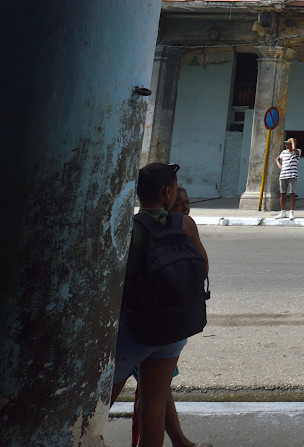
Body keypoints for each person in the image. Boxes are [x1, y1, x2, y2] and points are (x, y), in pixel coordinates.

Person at [111, 164, 209, 447]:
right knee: (153, 409)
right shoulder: (186, 225)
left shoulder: (128, 229)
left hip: (134, 330)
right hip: (174, 329)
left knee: (97, 403)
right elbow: (202, 269)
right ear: (168, 192)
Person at [275, 137, 300, 220]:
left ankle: (291, 212)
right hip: (283, 175)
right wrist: (279, 165)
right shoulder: (283, 152)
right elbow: (277, 158)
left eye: (288, 143)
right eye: (286, 143)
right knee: (282, 194)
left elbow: (294, 149)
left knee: (292, 194)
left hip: (292, 175)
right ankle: (283, 212)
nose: (286, 145)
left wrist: (292, 140)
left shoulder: (297, 152)